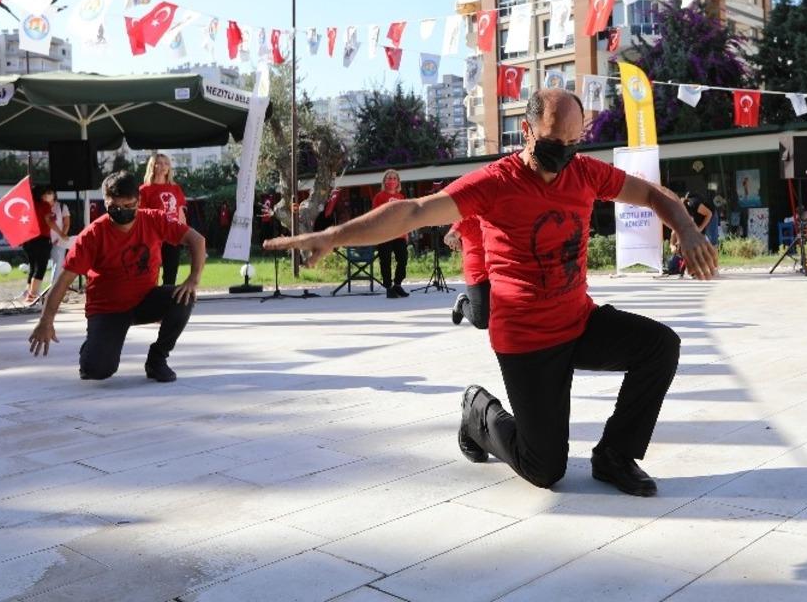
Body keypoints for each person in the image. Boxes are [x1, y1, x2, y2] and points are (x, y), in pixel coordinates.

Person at [266, 89, 718, 496]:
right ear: (526, 131)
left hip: (578, 322)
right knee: (546, 469)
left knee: (660, 346)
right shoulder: (495, 183)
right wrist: (334, 235)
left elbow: (653, 195)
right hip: (527, 340)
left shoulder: (584, 172)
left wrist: (685, 229)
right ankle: (478, 412)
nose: (564, 153)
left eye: (573, 142)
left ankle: (615, 455)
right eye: (553, 141)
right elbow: (414, 211)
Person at [28, 171, 206, 383]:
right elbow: (64, 280)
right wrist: (46, 320)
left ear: (138, 201)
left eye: (128, 205)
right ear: (105, 202)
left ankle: (158, 358)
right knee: (97, 371)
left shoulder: (154, 219)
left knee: (184, 297)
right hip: (108, 309)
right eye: (114, 207)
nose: (122, 211)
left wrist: (193, 279)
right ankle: (94, 346)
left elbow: (197, 240)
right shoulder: (93, 234)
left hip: (144, 299)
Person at [139, 153, 188, 286]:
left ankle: (168, 294)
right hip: (153, 235)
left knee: (171, 271)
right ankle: (150, 294)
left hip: (172, 234)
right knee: (150, 269)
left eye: (166, 163)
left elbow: (180, 213)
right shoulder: (144, 190)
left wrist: (183, 233)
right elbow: (141, 216)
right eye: (159, 163)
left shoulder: (175, 188)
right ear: (152, 166)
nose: (163, 166)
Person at [445, 217, 489, 328]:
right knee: (481, 321)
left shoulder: (495, 215)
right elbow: (450, 235)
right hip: (477, 273)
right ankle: (462, 304)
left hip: (498, 269)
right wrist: (452, 239)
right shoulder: (468, 217)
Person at [373, 169, 409, 298]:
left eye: (394, 178)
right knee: (385, 261)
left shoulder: (401, 197)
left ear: (398, 181)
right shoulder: (379, 196)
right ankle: (388, 287)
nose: (392, 181)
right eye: (389, 178)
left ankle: (397, 284)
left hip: (399, 233)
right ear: (385, 181)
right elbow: (375, 215)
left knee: (403, 259)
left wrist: (406, 232)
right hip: (384, 234)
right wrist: (388, 206)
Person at [20, 185, 57, 305]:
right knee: (40, 268)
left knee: (32, 267)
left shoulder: (27, 205)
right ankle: (32, 296)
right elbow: (48, 221)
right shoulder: (44, 205)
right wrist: (61, 233)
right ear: (41, 195)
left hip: (27, 240)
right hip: (41, 239)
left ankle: (28, 293)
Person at [48, 192, 72, 287]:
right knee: (40, 266)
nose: (47, 195)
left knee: (57, 265)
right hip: (43, 240)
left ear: (54, 194)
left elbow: (66, 223)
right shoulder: (41, 207)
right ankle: (34, 291)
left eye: (49, 193)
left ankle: (53, 288)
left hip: (58, 241)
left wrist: (62, 236)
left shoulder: (62, 206)